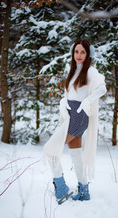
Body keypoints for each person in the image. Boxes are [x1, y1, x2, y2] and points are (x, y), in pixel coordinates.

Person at [43, 39, 107, 203]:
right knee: (75, 154)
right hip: (72, 115)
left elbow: (102, 88)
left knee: (50, 150)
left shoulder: (91, 71)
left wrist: (88, 100)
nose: (79, 55)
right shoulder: (72, 70)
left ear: (88, 54)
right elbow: (70, 93)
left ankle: (62, 189)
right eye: (76, 51)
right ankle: (84, 191)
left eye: (82, 52)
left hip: (79, 116)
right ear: (73, 53)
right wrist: (64, 101)